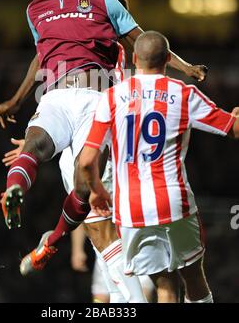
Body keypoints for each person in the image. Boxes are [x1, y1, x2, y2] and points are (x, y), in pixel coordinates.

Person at [0, 0, 207, 302]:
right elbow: (42, 54)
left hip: (101, 119)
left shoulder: (115, 42)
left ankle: (54, 241)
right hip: (80, 119)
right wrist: (17, 102)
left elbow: (146, 52)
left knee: (105, 234)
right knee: (107, 236)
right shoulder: (42, 11)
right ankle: (48, 233)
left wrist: (185, 70)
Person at [78, 30, 239, 303]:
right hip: (174, 202)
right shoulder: (184, 94)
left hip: (130, 209)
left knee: (163, 282)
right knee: (193, 278)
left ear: (134, 59)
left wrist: (96, 190)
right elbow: (233, 129)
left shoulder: (111, 97)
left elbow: (86, 161)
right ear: (167, 59)